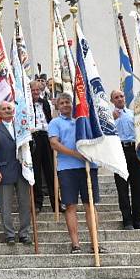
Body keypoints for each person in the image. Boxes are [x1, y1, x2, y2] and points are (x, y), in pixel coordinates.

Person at [48, 93, 107, 254]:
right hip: (67, 168)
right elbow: (54, 143)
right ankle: (75, 244)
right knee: (70, 205)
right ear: (57, 106)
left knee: (90, 205)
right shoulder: (55, 122)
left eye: (68, 102)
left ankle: (95, 243)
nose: (66, 105)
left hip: (88, 166)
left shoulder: (84, 120)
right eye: (62, 103)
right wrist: (75, 154)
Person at [0, 101, 32, 245]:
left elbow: (31, 149)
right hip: (4, 170)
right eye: (4, 109)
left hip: (23, 169)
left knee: (24, 203)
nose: (7, 110)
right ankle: (9, 234)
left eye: (9, 108)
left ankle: (24, 233)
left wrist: (30, 139)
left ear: (14, 111)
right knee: (6, 205)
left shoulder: (22, 128)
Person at [110, 90, 140, 230]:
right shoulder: (109, 116)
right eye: (116, 97)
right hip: (119, 151)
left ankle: (137, 218)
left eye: (121, 96)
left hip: (134, 150)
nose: (119, 99)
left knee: (138, 188)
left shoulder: (133, 114)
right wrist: (111, 119)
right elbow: (103, 132)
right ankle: (127, 220)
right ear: (112, 101)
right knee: (122, 187)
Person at [30, 80, 55, 212]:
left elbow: (50, 118)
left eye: (37, 90)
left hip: (46, 135)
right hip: (34, 136)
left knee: (50, 169)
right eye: (33, 90)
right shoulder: (27, 104)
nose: (35, 92)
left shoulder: (45, 102)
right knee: (36, 171)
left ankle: (55, 201)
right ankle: (37, 202)